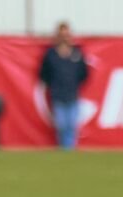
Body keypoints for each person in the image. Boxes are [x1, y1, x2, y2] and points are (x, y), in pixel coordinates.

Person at [38, 21, 88, 150]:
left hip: (73, 94)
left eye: (66, 34)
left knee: (71, 125)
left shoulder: (77, 54)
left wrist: (74, 83)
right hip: (57, 95)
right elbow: (43, 74)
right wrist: (53, 84)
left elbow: (84, 73)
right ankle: (64, 149)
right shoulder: (51, 55)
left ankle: (70, 150)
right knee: (61, 125)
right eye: (62, 34)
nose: (64, 37)